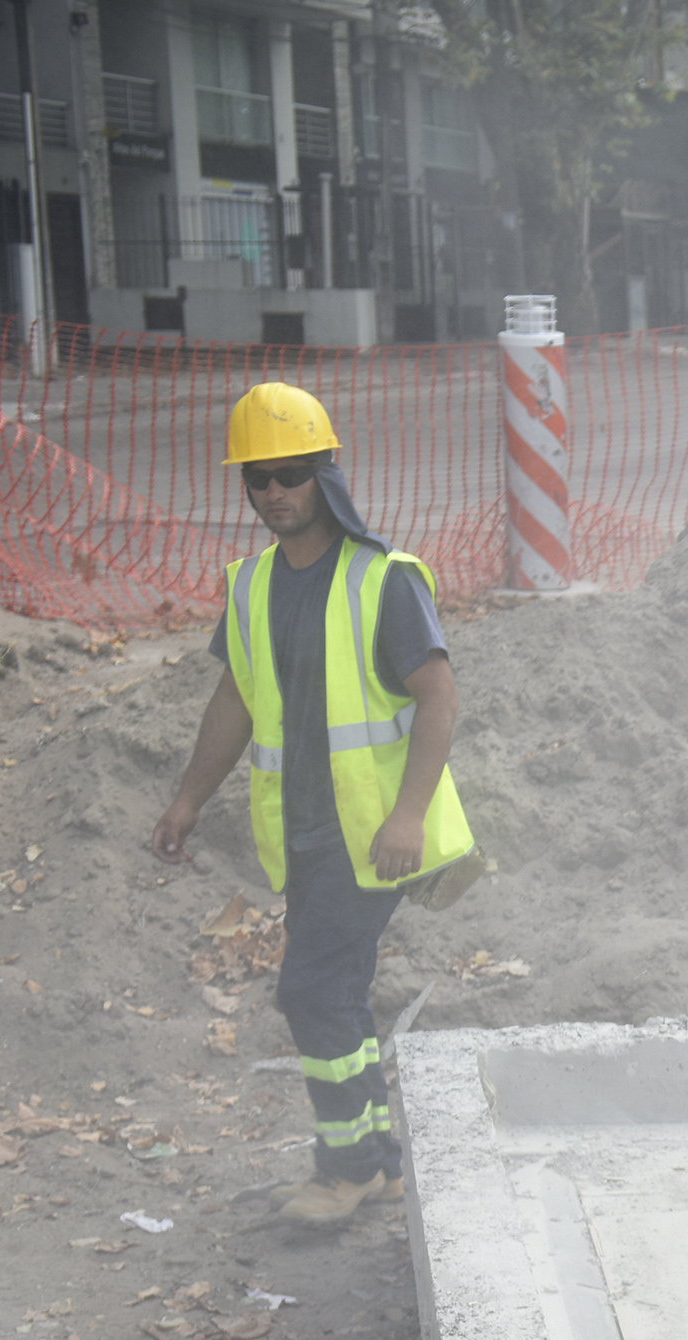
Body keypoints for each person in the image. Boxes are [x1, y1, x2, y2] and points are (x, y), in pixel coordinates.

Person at [149, 383, 475, 1223]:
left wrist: (407, 815)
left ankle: (348, 1168)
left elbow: (438, 697)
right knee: (334, 992)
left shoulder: (383, 581)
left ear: (326, 472)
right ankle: (382, 1162)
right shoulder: (253, 586)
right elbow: (236, 698)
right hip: (301, 836)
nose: (273, 493)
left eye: (289, 474)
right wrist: (187, 798)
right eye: (257, 478)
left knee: (311, 993)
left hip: (370, 838)